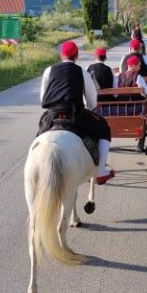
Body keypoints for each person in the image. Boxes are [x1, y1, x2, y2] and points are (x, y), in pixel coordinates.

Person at [38, 41, 115, 185]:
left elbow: (43, 98)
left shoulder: (49, 70)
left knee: (39, 136)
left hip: (52, 114)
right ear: (76, 56)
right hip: (75, 114)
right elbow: (92, 101)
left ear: (61, 54)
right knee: (104, 127)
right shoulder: (81, 72)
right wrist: (90, 108)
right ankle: (100, 172)